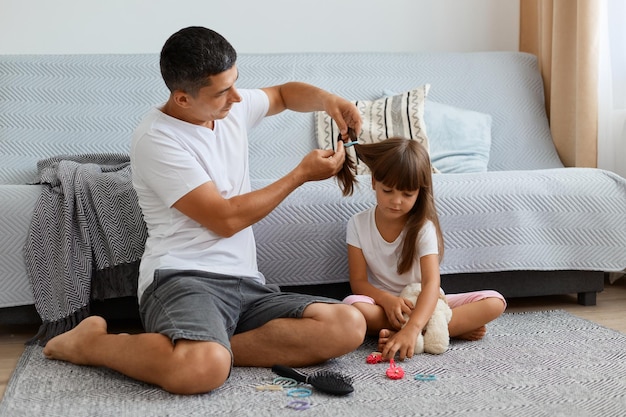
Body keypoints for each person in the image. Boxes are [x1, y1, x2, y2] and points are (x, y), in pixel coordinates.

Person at [42, 26, 366, 395]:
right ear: (182, 99)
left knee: (347, 326)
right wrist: (300, 175)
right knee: (200, 372)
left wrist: (329, 101)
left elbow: (282, 94)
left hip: (245, 282)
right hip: (183, 277)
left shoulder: (228, 109)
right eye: (222, 92)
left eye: (235, 83)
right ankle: (90, 344)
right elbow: (225, 219)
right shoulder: (157, 139)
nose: (237, 99)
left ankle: (210, 350)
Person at [337, 137, 506, 361]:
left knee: (495, 302)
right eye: (388, 190)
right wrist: (388, 300)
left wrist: (413, 326)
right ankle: (441, 329)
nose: (396, 201)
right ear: (374, 182)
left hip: (427, 302)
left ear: (419, 192)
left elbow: (431, 284)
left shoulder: (423, 227)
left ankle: (407, 333)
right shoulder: (357, 223)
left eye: (407, 194)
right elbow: (358, 282)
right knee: (352, 307)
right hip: (384, 306)